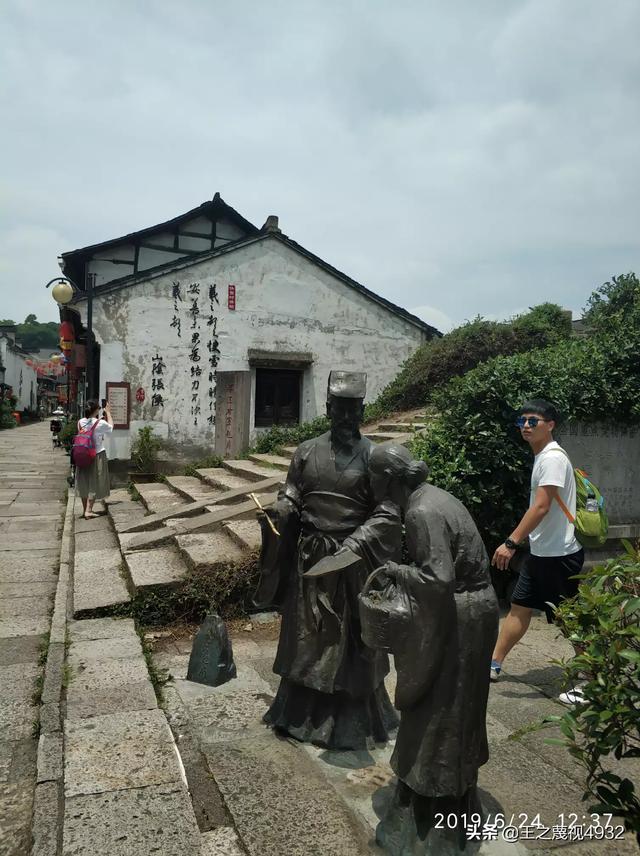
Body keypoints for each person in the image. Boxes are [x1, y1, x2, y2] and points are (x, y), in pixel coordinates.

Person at [255, 370, 402, 750]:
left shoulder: (373, 456)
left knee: (349, 644)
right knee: (307, 642)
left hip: (351, 561)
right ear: (328, 408)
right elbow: (292, 492)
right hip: (312, 561)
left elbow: (388, 510)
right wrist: (282, 508)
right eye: (340, 408)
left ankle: (352, 722)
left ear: (363, 410)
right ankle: (299, 715)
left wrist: (357, 541)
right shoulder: (306, 451)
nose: (346, 416)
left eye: (354, 409)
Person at [367, 444, 499, 855]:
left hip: (460, 616)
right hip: (476, 608)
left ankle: (430, 814)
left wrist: (395, 570)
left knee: (440, 710)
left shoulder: (421, 511)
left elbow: (437, 579)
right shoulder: (437, 495)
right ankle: (453, 799)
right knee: (457, 707)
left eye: (373, 477)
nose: (371, 485)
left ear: (388, 479)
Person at [490, 399, 584, 698]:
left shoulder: (552, 458)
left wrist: (510, 542)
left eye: (534, 421)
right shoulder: (543, 456)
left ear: (550, 425)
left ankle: (593, 678)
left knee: (569, 618)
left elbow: (542, 506)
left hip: (559, 554)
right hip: (542, 553)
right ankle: (493, 663)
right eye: (522, 421)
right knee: (520, 606)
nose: (526, 426)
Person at [75, 399, 113, 519]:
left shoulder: (80, 422)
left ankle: (84, 509)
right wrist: (108, 412)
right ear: (96, 410)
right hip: (96, 455)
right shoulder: (100, 423)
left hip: (82, 454)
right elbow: (110, 428)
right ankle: (89, 510)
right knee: (94, 481)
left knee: (84, 481)